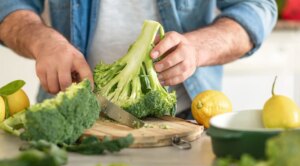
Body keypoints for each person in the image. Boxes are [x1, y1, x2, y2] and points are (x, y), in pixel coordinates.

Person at [0, 0, 277, 119]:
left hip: (186, 120)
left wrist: (198, 47)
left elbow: (257, 7)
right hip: (68, 114)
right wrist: (41, 39)